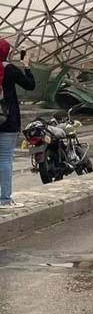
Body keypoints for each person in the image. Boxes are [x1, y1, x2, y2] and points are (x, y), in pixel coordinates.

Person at [0, 40, 35, 209]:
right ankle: (5, 199)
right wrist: (26, 65)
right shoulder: (10, 69)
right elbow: (30, 85)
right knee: (5, 159)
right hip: (8, 120)